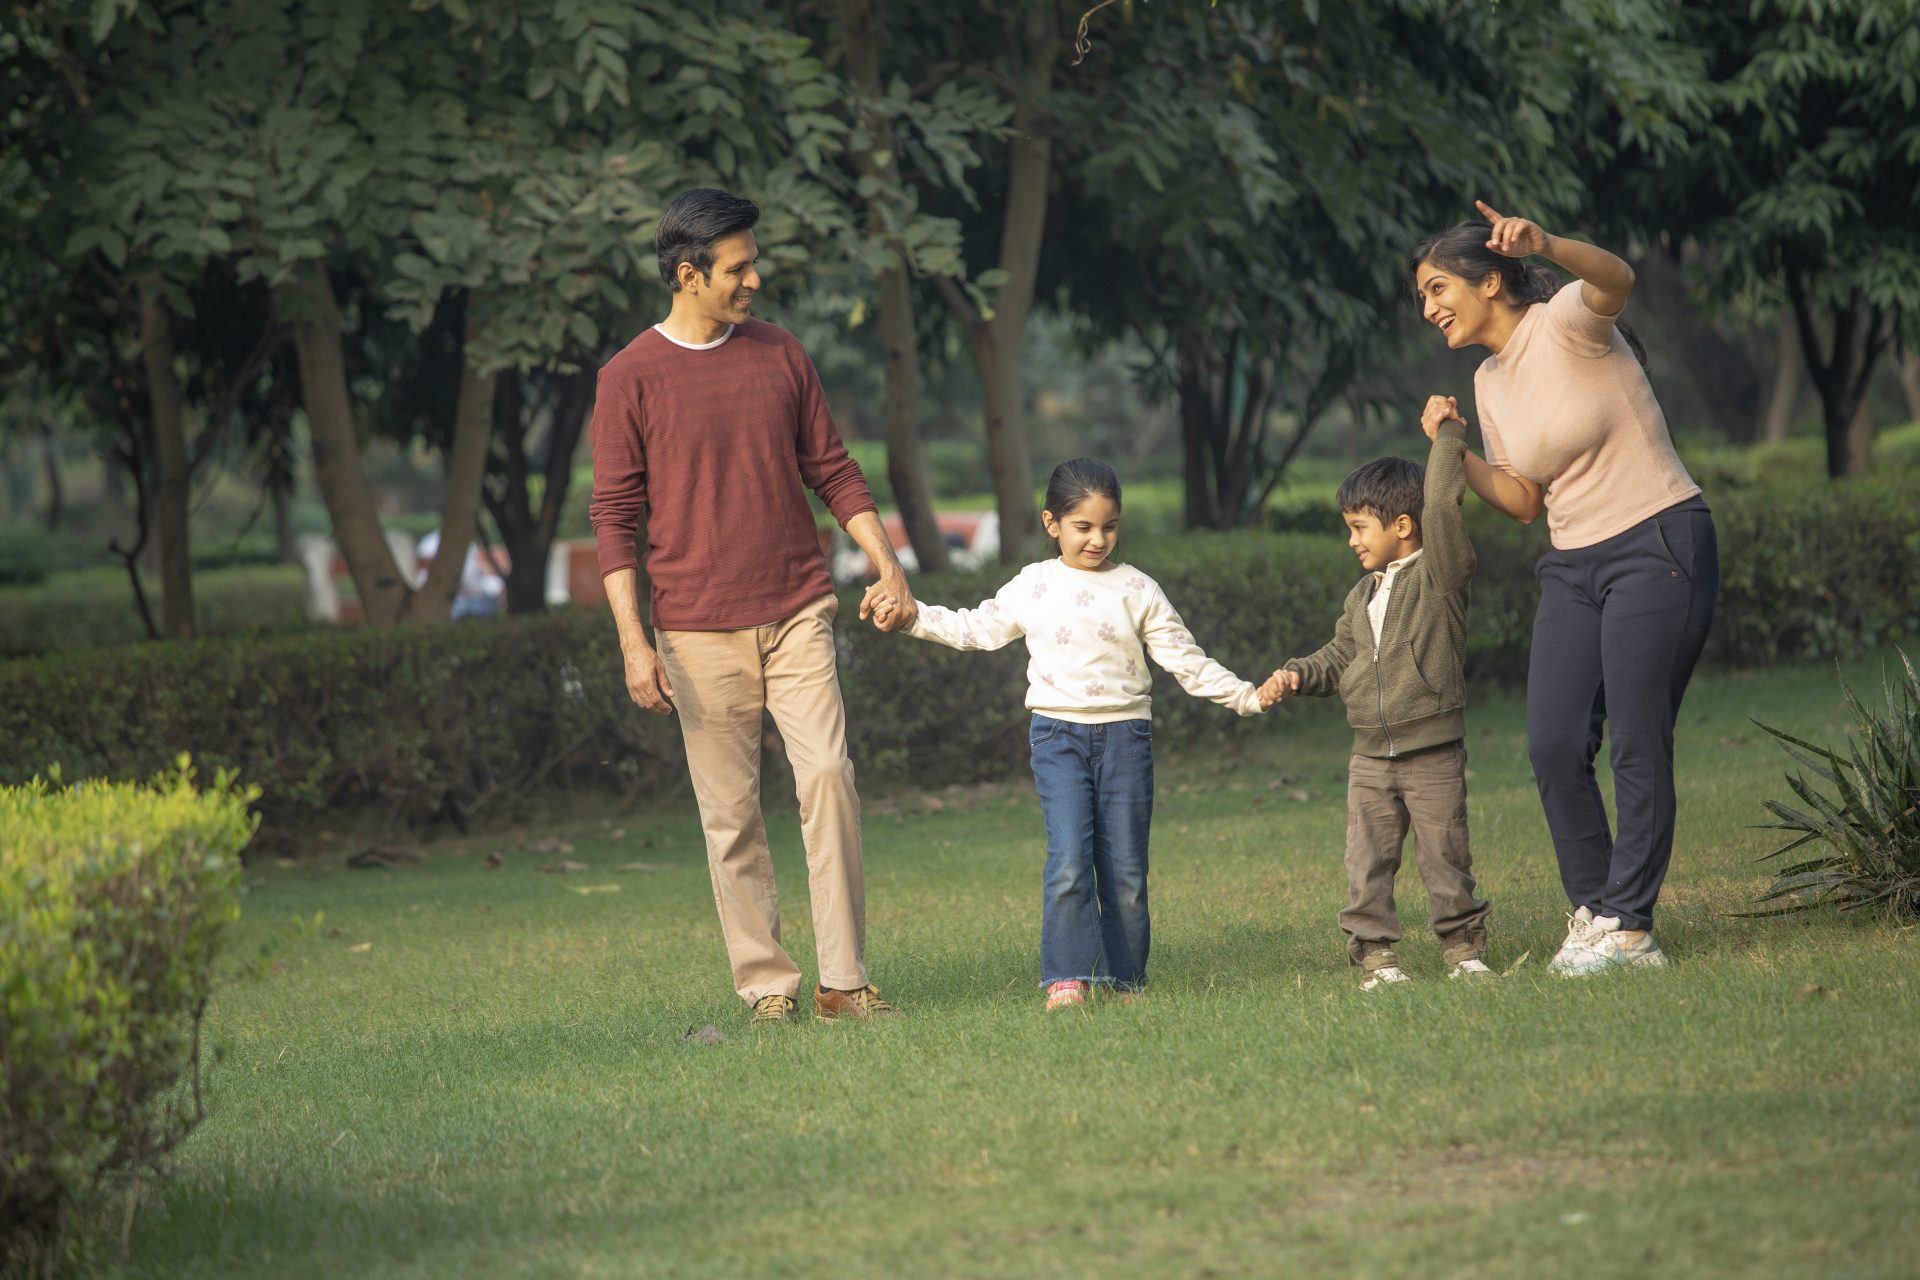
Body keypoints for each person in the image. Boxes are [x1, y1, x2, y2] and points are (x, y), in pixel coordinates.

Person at [587, 187, 918, 1026]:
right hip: (696, 630)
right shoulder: (628, 378)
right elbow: (614, 521)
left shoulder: (780, 355)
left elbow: (835, 471)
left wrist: (888, 566)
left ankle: (844, 981)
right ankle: (769, 985)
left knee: (829, 778)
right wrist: (634, 644)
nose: (755, 281)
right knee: (730, 816)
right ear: (689, 274)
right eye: (739, 268)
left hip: (799, 607)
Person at [1409, 200, 1718, 975]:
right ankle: (1594, 915)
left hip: (1656, 540)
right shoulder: (1486, 380)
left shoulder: (1566, 322)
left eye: (1438, 287)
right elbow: (1520, 498)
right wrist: (1454, 448)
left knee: (1638, 740)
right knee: (1552, 741)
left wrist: (1546, 243)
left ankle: (1632, 929)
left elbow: (1619, 277)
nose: (1429, 307)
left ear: (1489, 280)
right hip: (1573, 561)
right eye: (1422, 297)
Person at [871, 458, 1275, 1010]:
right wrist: (912, 616)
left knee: (1127, 868)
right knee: (1068, 859)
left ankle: (1126, 980)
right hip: (1057, 738)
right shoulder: (1035, 584)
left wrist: (1248, 696)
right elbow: (975, 628)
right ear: (1051, 523)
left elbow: (1187, 661)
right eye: (1082, 527)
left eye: (1108, 526)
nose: (1097, 539)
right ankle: (1067, 976)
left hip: (1126, 739)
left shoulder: (1138, 589)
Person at [1259, 419, 1492, 990]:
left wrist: (1446, 436)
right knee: (1367, 862)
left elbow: (1442, 502)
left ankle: (1462, 953)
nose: (1352, 540)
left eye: (1360, 527)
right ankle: (1376, 960)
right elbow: (1340, 655)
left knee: (1445, 858)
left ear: (1404, 525)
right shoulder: (1362, 594)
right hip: (1369, 757)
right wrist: (1294, 674)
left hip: (1432, 750)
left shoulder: (1441, 576)